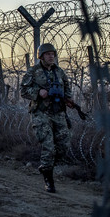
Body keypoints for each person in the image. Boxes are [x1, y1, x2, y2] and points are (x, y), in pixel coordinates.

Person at [20, 42, 72, 193]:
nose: (51, 56)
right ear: (41, 56)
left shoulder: (60, 72)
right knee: (48, 146)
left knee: (63, 145)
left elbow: (66, 87)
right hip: (41, 113)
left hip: (58, 112)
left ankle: (45, 167)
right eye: (48, 54)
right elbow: (23, 90)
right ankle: (49, 179)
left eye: (53, 54)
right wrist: (38, 92)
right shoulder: (33, 72)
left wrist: (68, 99)